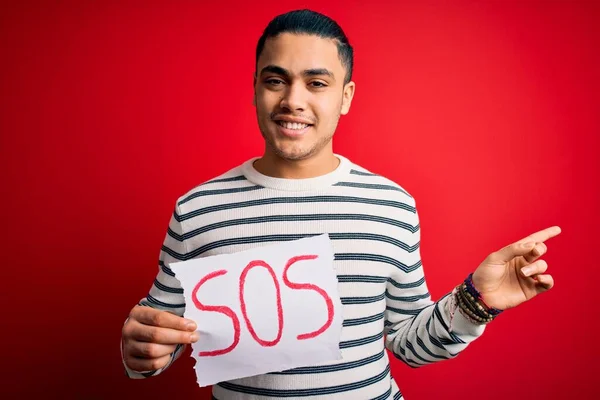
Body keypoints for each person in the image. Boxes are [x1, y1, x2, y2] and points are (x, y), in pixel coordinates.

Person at [121, 9, 561, 399]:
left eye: (316, 83)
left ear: (345, 96)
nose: (294, 100)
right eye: (276, 80)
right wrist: (141, 350)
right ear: (256, 88)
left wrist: (476, 299)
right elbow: (160, 337)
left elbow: (408, 343)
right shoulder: (198, 208)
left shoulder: (391, 205)